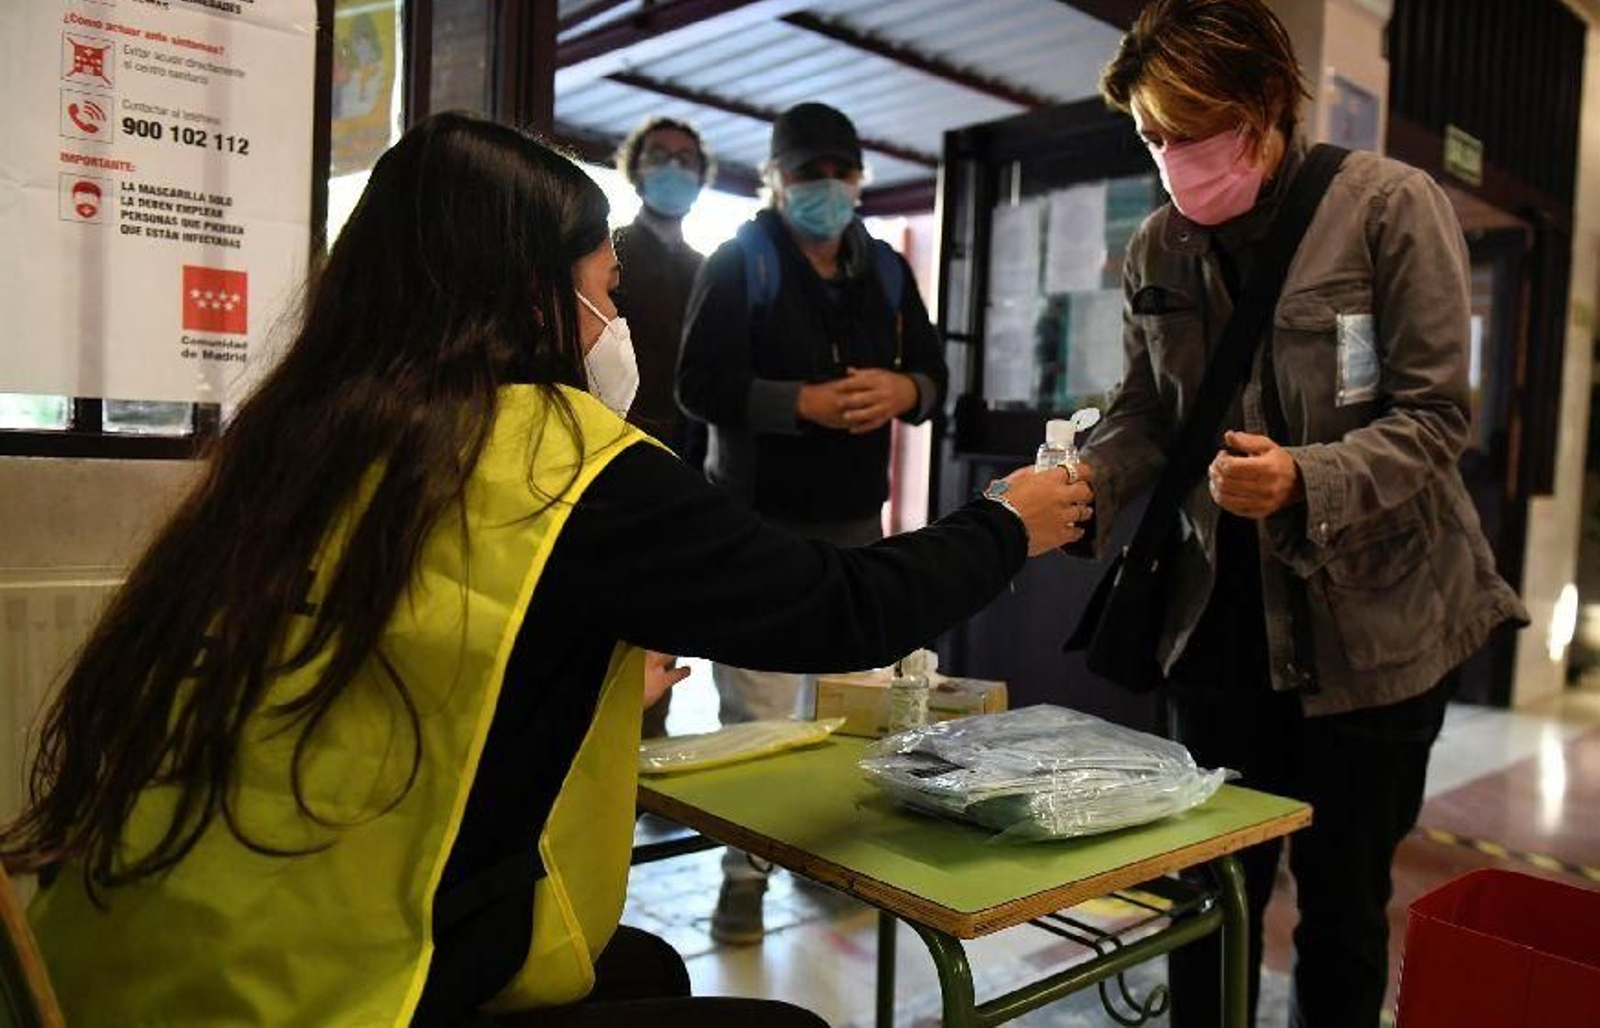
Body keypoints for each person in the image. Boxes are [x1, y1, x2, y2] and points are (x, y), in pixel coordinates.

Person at [0, 112, 1093, 1027]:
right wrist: (1006, 521)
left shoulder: (311, 428)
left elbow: (395, 642)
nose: (614, 322)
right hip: (339, 990)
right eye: (605, 289)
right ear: (532, 296)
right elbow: (840, 606)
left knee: (645, 970)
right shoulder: (559, 456)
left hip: (132, 960)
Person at [1075, 0, 1527, 1027]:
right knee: (1208, 893)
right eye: (1152, 134)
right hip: (1219, 631)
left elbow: (1431, 418)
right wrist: (1084, 478)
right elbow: (1148, 413)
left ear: (1268, 104)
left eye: (1197, 130)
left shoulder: (1385, 206)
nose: (1174, 157)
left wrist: (1303, 476)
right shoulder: (1158, 248)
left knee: (1341, 910)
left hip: (1371, 636)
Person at [676, 101, 948, 945]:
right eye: (806, 174)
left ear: (858, 179)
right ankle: (742, 879)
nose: (826, 188)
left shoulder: (888, 274)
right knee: (753, 720)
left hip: (856, 525)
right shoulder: (740, 261)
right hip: (754, 524)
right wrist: (800, 402)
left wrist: (904, 393)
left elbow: (934, 375)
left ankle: (833, 867)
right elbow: (698, 386)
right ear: (776, 180)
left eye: (839, 172)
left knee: (850, 712)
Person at [611, 116, 713, 740]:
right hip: (620, 464)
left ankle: (645, 778)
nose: (674, 168)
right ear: (636, 165)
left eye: (687, 159)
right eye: (660, 155)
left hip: (694, 473)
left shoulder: (711, 267)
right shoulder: (610, 252)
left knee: (665, 638)